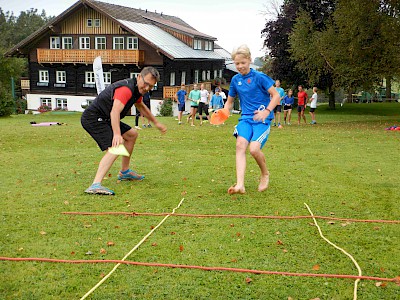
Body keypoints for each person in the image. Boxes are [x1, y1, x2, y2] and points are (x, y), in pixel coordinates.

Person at [81, 67, 167, 195]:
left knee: (132, 135)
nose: (147, 88)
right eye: (146, 84)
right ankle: (95, 185)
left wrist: (156, 123)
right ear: (139, 77)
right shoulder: (126, 89)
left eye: (151, 86)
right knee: (116, 147)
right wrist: (116, 134)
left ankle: (124, 172)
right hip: (93, 118)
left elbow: (141, 106)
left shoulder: (137, 90)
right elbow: (115, 111)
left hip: (106, 118)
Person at [223, 44, 280, 194]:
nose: (240, 66)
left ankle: (265, 173)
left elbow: (276, 96)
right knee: (240, 145)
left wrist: (267, 111)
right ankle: (240, 185)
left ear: (249, 60)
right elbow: (229, 102)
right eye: (237, 64)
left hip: (262, 120)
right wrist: (223, 111)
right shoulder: (235, 80)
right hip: (246, 119)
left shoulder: (259, 77)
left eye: (243, 63)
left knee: (254, 149)